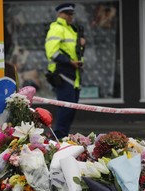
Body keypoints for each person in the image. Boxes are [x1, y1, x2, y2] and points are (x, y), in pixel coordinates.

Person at [45, 3, 86, 139]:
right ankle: (57, 137)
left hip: (73, 73)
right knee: (66, 108)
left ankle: (62, 136)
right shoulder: (57, 28)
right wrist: (69, 62)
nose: (70, 17)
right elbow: (52, 52)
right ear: (59, 14)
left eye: (71, 14)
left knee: (71, 109)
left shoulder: (71, 30)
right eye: (67, 14)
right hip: (62, 72)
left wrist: (81, 45)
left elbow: (75, 52)